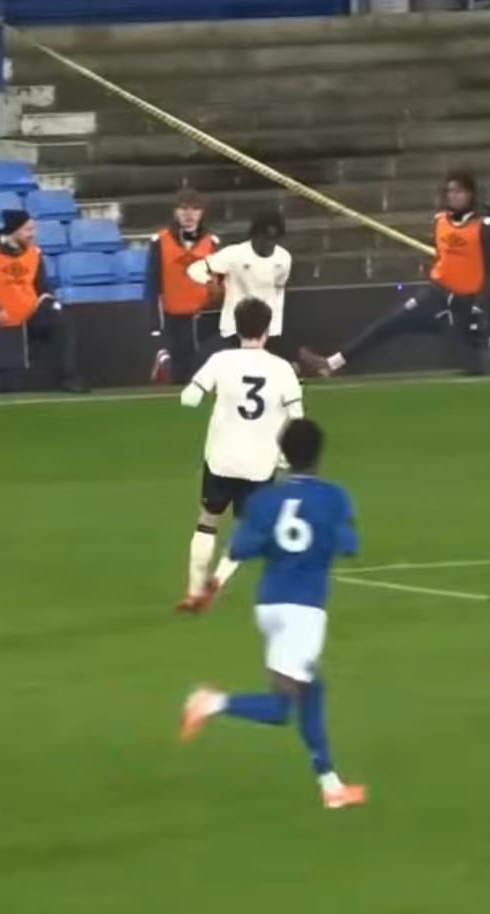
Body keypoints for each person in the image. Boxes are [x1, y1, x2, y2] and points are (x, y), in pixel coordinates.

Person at [178, 418, 368, 811]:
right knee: (283, 707)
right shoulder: (334, 497)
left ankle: (330, 785)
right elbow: (349, 545)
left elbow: (240, 549)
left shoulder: (266, 500)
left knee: (312, 688)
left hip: (270, 604)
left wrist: (270, 546)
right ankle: (209, 703)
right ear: (319, 455)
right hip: (304, 610)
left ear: (284, 455)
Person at [298, 171, 490, 379]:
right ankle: (331, 364)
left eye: (459, 191)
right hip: (435, 296)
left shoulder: (484, 226)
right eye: (450, 191)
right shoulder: (440, 221)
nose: (453, 196)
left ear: (470, 194)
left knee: (474, 367)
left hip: (463, 304)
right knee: (388, 324)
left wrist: (480, 304)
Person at [175, 298, 303, 612]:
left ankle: (193, 591)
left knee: (207, 521)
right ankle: (218, 579)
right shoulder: (282, 368)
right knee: (247, 529)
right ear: (267, 330)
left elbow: (189, 398)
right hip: (260, 463)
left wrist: (207, 392)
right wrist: (286, 456)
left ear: (236, 327)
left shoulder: (221, 360)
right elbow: (297, 417)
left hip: (221, 457)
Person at [0, 209, 84, 395]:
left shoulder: (35, 253)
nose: (32, 234)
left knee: (61, 320)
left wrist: (50, 303)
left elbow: (42, 287)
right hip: (0, 323)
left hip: (30, 317)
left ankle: (69, 376)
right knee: (6, 385)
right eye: (28, 229)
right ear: (14, 230)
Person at [189, 210, 292, 359]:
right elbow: (195, 269)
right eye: (265, 237)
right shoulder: (234, 255)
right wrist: (211, 283)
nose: (269, 243)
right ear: (255, 235)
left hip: (269, 330)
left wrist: (274, 325)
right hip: (235, 328)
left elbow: (278, 289)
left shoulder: (284, 258)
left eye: (273, 238)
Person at [147, 188, 222, 385]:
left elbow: (219, 280)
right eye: (183, 208)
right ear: (175, 211)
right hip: (173, 318)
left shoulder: (212, 243)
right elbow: (152, 284)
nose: (189, 214)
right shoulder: (159, 241)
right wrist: (155, 323)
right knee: (177, 376)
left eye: (195, 209)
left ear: (202, 212)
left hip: (203, 318)